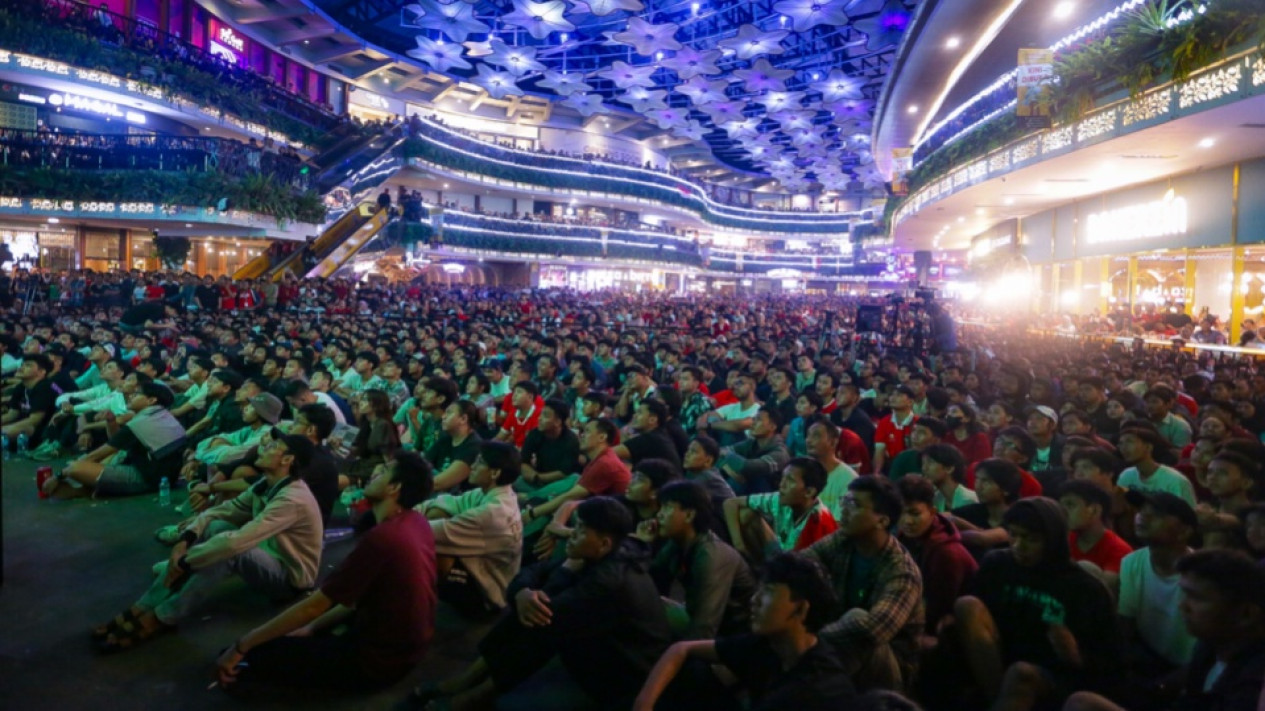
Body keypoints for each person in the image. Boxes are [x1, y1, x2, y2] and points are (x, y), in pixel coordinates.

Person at [413, 497, 671, 710]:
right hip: (596, 638)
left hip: (623, 669)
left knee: (540, 622)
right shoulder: (608, 551)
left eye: (580, 530)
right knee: (535, 609)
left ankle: (474, 695)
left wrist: (559, 575)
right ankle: (470, 680)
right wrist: (523, 591)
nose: (571, 534)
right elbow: (534, 571)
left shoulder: (608, 581)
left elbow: (551, 607)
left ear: (604, 543)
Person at [216, 451, 437, 692]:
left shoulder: (384, 539)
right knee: (275, 643)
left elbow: (315, 605)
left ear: (394, 488)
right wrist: (312, 629)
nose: (374, 472)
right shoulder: (416, 521)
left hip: (377, 662)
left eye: (383, 471)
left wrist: (242, 645)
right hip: (405, 651)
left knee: (241, 661)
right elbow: (352, 599)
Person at [92, 434, 321, 652]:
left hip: (289, 578)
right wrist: (184, 542)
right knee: (215, 528)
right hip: (267, 554)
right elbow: (220, 512)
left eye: (273, 447)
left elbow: (235, 544)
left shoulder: (292, 499)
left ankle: (163, 616)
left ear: (288, 460)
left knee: (228, 551)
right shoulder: (267, 484)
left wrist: (185, 562)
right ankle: (143, 605)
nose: (264, 447)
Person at [949, 497, 1119, 711]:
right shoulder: (998, 564)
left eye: (1031, 539)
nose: (1019, 546)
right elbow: (978, 616)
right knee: (966, 605)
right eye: (1013, 535)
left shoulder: (1084, 588)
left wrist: (1074, 654)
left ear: (1053, 540)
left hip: (1055, 673)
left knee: (1021, 673)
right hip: (1000, 660)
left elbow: (1110, 661)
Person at [633, 552, 855, 711]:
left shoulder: (811, 690)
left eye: (767, 592)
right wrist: (644, 704)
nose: (753, 600)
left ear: (801, 609)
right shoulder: (769, 645)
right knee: (693, 673)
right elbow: (682, 649)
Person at [1063, 550, 1265, 711]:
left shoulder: (1254, 681)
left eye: (1197, 598)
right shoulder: (1210, 647)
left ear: (1246, 614)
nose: (1182, 606)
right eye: (1184, 594)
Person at [806, 476, 925, 693]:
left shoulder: (901, 571)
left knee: (857, 619)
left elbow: (873, 629)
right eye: (845, 501)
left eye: (855, 505)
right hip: (837, 645)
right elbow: (801, 563)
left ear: (882, 521)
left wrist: (808, 641)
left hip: (889, 668)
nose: (844, 510)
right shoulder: (844, 539)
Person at [642, 480, 757, 639]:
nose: (659, 514)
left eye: (667, 507)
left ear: (689, 515)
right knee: (638, 600)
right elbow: (648, 580)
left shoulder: (711, 555)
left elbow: (704, 626)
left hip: (734, 634)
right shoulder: (678, 543)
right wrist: (643, 544)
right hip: (704, 618)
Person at [420, 441, 523, 615]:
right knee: (439, 511)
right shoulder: (490, 493)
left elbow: (429, 532)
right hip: (483, 569)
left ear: (495, 473)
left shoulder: (493, 512)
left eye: (479, 462)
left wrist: (396, 517)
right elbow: (446, 503)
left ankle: (418, 611)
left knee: (431, 550)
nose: (472, 466)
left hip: (487, 599)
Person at [43, 379, 187, 499]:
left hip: (148, 479)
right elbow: (117, 442)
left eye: (137, 394)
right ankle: (90, 489)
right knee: (98, 461)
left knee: (75, 467)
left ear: (151, 400)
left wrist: (59, 475)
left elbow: (100, 453)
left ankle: (89, 489)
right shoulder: (160, 415)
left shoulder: (141, 422)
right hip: (166, 477)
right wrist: (111, 422)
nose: (130, 396)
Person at [897, 475, 979, 635]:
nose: (907, 521)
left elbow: (937, 609)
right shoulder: (904, 538)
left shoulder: (946, 553)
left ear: (932, 512)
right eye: (902, 513)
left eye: (915, 514)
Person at [725, 458, 839, 566]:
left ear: (809, 492)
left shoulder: (818, 521)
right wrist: (738, 545)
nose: (781, 485)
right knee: (745, 514)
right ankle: (757, 567)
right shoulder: (782, 498)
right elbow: (730, 503)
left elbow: (804, 568)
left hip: (799, 570)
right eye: (783, 478)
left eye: (790, 480)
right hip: (785, 554)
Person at [1057, 480, 1133, 582]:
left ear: (1095, 510)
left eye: (1070, 505)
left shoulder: (1120, 551)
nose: (1063, 511)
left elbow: (1104, 591)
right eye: (1061, 506)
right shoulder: (1062, 540)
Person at [714, 406, 789, 495]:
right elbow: (720, 451)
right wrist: (729, 469)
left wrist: (727, 458)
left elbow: (747, 467)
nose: (753, 423)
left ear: (772, 427)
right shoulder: (752, 442)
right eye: (754, 419)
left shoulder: (779, 453)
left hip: (771, 498)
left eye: (759, 420)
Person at [1117, 427, 1196, 506]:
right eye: (1121, 443)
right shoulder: (1126, 476)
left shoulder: (1174, 480)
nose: (1123, 447)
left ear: (1148, 447)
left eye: (1129, 442)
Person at [426, 400, 483, 492]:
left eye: (449, 413)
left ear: (463, 419)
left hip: (459, 498)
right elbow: (423, 463)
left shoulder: (474, 446)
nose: (443, 416)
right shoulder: (446, 439)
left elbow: (439, 483)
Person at [873, 384, 918, 475]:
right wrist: (876, 473)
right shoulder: (884, 422)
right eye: (892, 394)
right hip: (892, 466)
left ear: (910, 402)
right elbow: (879, 451)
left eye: (899, 395)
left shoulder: (918, 423)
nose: (893, 398)